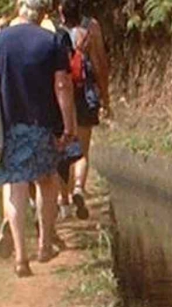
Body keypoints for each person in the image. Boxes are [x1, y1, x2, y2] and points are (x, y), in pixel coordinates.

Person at [0, 0, 80, 276]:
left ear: (19, 8)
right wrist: (69, 124)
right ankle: (45, 245)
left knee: (15, 186)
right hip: (41, 125)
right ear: (43, 13)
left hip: (8, 126)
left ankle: (21, 257)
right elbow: (62, 84)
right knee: (47, 181)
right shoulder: (52, 40)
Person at [59, 0, 110, 220]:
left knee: (63, 148)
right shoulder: (92, 28)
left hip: (62, 97)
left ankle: (65, 200)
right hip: (85, 93)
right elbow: (100, 64)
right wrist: (105, 97)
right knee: (82, 149)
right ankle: (79, 187)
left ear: (61, 12)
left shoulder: (54, 30)